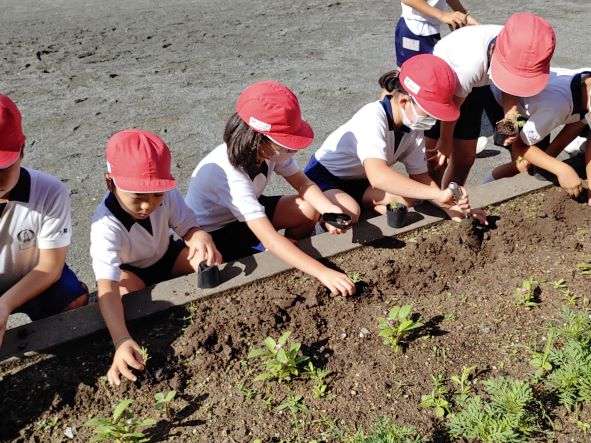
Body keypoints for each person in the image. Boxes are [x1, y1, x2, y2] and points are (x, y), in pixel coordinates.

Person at [185, 80, 356, 298]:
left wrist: (328, 209)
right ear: (258, 139)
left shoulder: (270, 152)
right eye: (286, 145)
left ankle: (296, 252)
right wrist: (323, 272)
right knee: (281, 248)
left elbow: (303, 183)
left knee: (309, 209)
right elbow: (271, 239)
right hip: (218, 232)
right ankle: (289, 257)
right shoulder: (229, 174)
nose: (291, 151)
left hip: (247, 213)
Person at [90, 129, 221, 386]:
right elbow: (107, 284)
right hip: (131, 270)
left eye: (156, 196)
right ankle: (129, 339)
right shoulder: (104, 224)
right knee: (127, 297)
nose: (147, 205)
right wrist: (120, 339)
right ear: (110, 182)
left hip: (165, 255)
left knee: (209, 260)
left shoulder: (167, 195)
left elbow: (187, 228)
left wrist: (199, 236)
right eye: (137, 197)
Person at [304, 54, 485, 224]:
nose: (434, 120)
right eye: (430, 112)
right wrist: (437, 195)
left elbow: (420, 175)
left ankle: (365, 208)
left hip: (361, 181)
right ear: (405, 102)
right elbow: (379, 176)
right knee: (349, 212)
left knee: (409, 198)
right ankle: (318, 226)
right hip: (325, 177)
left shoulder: (414, 126)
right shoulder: (372, 117)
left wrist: (452, 207)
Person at [424, 12, 556, 187]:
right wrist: (445, 141)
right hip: (444, 79)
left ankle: (453, 199)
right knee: (436, 157)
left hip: (478, 82)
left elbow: (512, 85)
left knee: (464, 158)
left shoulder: (522, 46)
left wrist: (510, 116)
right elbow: (452, 108)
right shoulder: (469, 64)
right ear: (495, 51)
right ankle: (429, 199)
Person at [0, 93, 88, 348]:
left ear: (22, 151)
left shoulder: (49, 191)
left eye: (2, 169)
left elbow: (50, 266)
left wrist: (4, 304)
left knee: (73, 300)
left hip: (31, 274)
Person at [482, 67, 590, 204]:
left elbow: (573, 130)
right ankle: (483, 188)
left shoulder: (587, 88)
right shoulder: (555, 109)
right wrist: (562, 169)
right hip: (504, 101)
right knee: (522, 165)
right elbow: (520, 146)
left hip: (538, 104)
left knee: (539, 163)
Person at [395, 0, 479, 67]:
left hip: (430, 30)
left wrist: (463, 15)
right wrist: (443, 15)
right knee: (406, 77)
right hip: (414, 29)